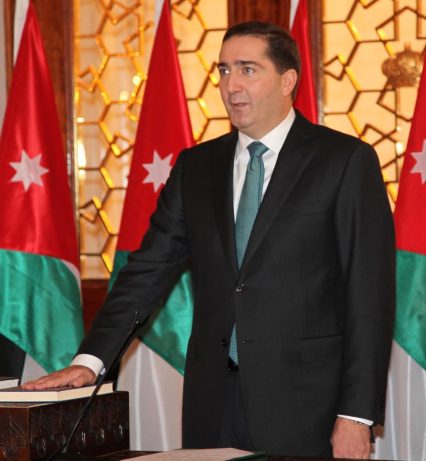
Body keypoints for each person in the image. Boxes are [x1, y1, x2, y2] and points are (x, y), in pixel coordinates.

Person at [24, 21, 395, 458]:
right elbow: (146, 271)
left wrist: (356, 415)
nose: (231, 85)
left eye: (248, 69)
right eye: (223, 70)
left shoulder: (344, 161)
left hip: (307, 406)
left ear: (287, 80)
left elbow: (368, 296)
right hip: (211, 401)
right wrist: (90, 362)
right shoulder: (196, 167)